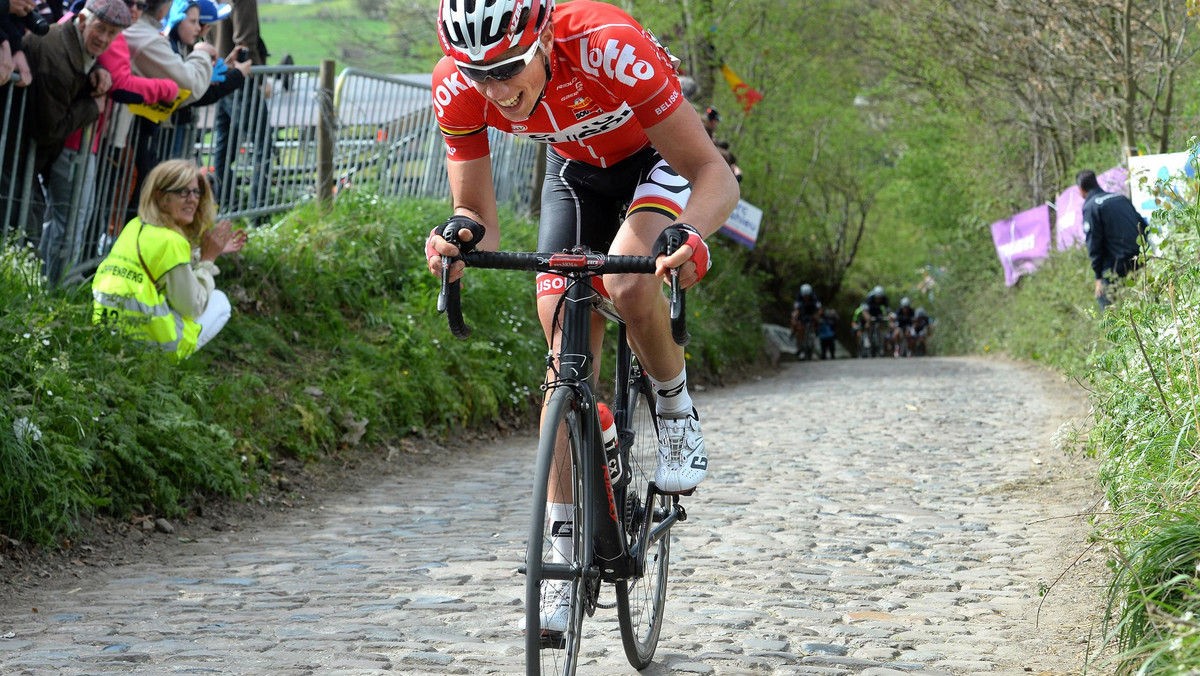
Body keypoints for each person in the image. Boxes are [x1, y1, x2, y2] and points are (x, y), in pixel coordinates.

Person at [426, 0, 738, 633]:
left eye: (508, 67)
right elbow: (475, 210)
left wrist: (693, 234)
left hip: (656, 160)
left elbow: (713, 173)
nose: (497, 89)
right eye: (478, 73)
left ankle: (675, 408)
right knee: (561, 342)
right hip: (575, 173)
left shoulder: (606, 46)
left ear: (540, 39)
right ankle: (563, 557)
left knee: (625, 279)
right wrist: (457, 236)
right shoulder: (457, 84)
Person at [0, 0, 125, 254]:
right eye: (100, 29)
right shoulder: (54, 57)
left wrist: (99, 69)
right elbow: (49, 129)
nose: (104, 39)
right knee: (23, 231)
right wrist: (94, 106)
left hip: (21, 156)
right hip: (13, 152)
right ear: (81, 21)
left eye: (112, 33)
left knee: (28, 224)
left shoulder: (71, 42)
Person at [92, 159, 245, 360]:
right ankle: (168, 364)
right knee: (220, 302)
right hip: (146, 345)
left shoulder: (135, 226)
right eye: (183, 192)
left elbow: (165, 270)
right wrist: (208, 260)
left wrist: (205, 253)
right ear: (160, 196)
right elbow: (193, 306)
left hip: (108, 336)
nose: (192, 199)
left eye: (196, 192)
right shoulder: (171, 242)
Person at [209, 0, 271, 210]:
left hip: (220, 74)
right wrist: (260, 79)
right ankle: (258, 211)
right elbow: (244, 42)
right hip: (241, 78)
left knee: (224, 148)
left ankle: (224, 205)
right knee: (263, 147)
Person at [1078, 169, 1147, 311]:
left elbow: (1094, 245)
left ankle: (1115, 330)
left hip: (1116, 267)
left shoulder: (1091, 207)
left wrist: (1098, 277)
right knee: (1147, 301)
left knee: (1106, 301)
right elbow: (1143, 225)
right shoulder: (1120, 198)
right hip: (1140, 260)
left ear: (1081, 190)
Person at [790, 282, 821, 358]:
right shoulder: (798, 298)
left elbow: (819, 309)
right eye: (805, 296)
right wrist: (795, 318)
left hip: (811, 313)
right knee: (797, 324)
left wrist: (817, 315)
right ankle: (796, 337)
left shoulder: (814, 298)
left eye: (807, 296)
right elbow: (796, 310)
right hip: (802, 314)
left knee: (817, 319)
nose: (806, 297)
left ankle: (816, 331)